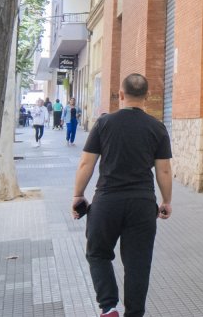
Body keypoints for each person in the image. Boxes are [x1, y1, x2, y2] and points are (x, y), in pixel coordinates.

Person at [72, 73, 172, 317]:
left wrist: (78, 195)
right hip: (142, 204)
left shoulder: (104, 123)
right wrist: (166, 201)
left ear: (121, 95)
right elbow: (165, 169)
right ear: (146, 97)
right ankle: (134, 313)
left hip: (107, 201)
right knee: (138, 263)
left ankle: (108, 307)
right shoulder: (157, 128)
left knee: (97, 252)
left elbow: (87, 164)